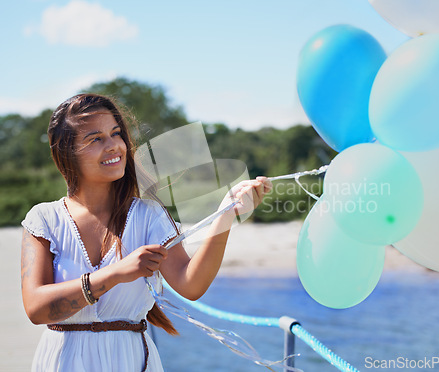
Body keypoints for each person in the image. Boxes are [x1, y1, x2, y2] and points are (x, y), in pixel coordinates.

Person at [20, 93, 272, 371]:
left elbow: (191, 285)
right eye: (96, 139)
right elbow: (36, 308)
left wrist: (225, 216)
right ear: (67, 152)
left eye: (116, 134)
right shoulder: (44, 219)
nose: (114, 146)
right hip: (61, 361)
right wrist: (116, 273)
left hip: (130, 361)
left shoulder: (149, 215)